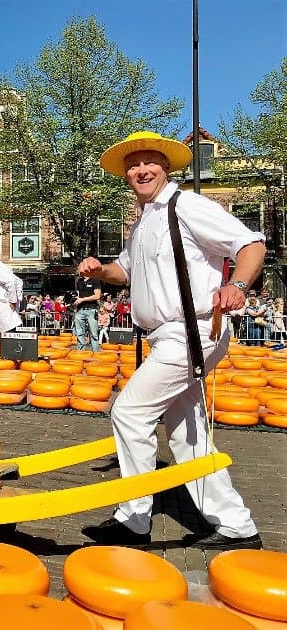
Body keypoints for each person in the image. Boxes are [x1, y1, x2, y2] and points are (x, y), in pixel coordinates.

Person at [77, 130, 264, 550]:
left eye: (150, 163)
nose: (142, 170)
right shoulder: (143, 222)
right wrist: (99, 271)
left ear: (165, 168)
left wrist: (238, 284)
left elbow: (250, 243)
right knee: (187, 433)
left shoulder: (187, 206)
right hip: (166, 337)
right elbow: (124, 272)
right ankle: (237, 527)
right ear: (126, 173)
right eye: (134, 164)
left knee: (129, 412)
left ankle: (134, 518)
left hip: (193, 331)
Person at [72, 273, 102, 351]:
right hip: (80, 310)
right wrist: (76, 302)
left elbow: (97, 296)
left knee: (94, 334)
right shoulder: (79, 281)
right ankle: (81, 352)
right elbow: (79, 295)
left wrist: (82, 299)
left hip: (91, 309)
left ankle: (95, 353)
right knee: (79, 333)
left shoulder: (95, 280)